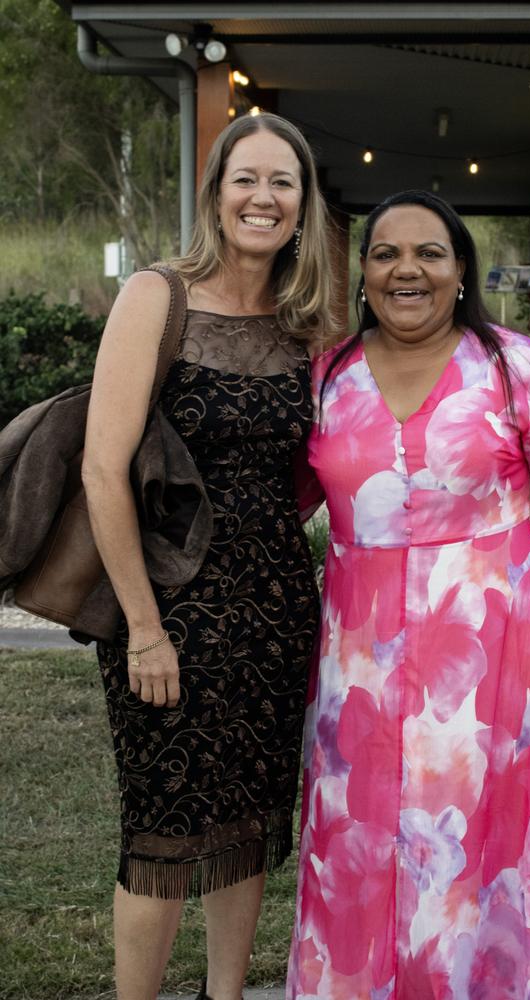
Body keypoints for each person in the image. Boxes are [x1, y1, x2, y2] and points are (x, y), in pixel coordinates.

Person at [287, 190, 530, 999]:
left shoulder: (519, 368)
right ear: (364, 275)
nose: (406, 268)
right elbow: (275, 508)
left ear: (460, 273)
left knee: (489, 861)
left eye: (429, 253)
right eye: (385, 253)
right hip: (360, 678)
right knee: (361, 853)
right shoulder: (326, 380)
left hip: (495, 674)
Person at [82, 112, 334, 1000]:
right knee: (161, 829)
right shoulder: (160, 296)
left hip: (274, 607)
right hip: (171, 611)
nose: (263, 198)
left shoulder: (307, 321)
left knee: (247, 825)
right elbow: (102, 469)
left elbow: (307, 473)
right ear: (216, 193)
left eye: (283, 183)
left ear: (303, 206)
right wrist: (144, 630)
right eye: (247, 179)